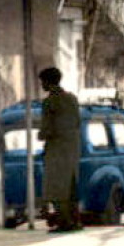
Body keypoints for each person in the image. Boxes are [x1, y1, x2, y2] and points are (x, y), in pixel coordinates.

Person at [38, 66, 83, 232]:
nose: (42, 85)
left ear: (47, 82)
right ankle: (75, 220)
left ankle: (64, 222)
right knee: (70, 186)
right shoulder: (72, 99)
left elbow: (47, 129)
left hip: (56, 149)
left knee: (56, 188)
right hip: (72, 149)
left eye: (43, 81)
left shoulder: (50, 102)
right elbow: (78, 122)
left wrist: (41, 135)